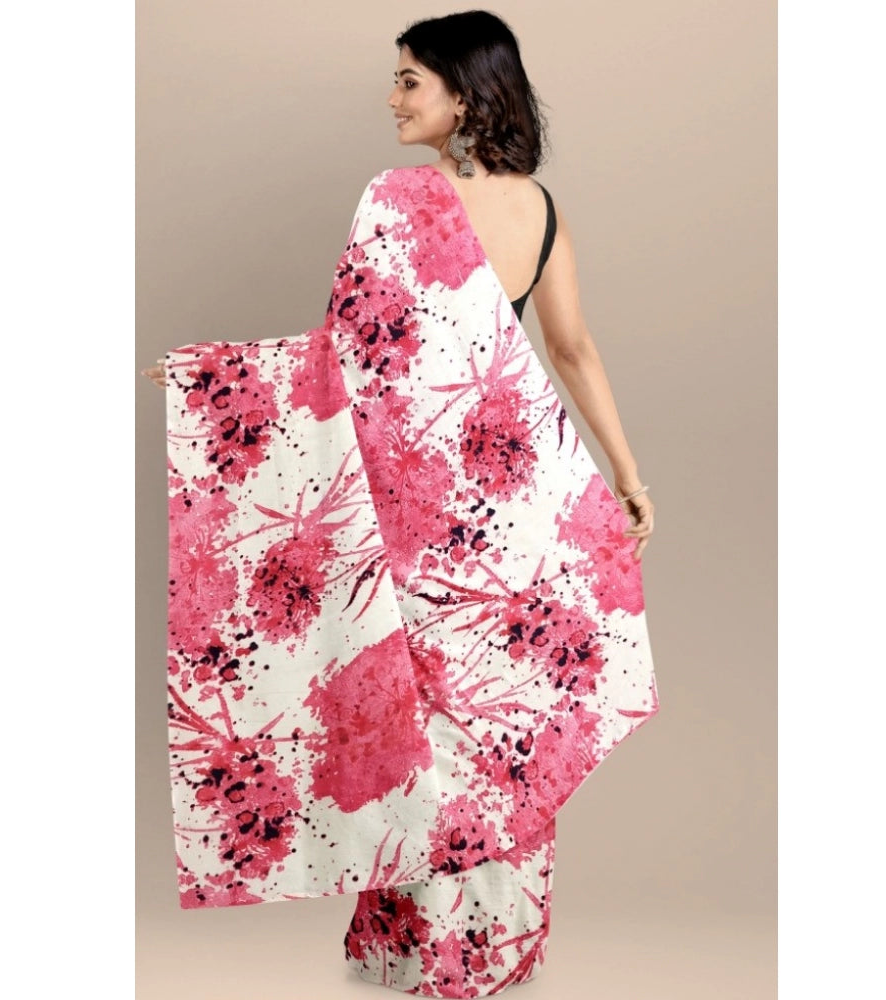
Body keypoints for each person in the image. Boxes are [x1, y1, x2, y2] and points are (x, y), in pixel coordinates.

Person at [142, 10, 657, 997]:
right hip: (513, 519)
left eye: (409, 80)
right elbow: (573, 350)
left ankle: (428, 956)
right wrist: (629, 481)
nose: (392, 99)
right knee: (500, 728)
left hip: (420, 522)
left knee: (432, 730)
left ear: (465, 93)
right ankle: (495, 953)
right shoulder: (541, 209)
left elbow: (337, 361)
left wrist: (211, 381)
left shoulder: (396, 199)